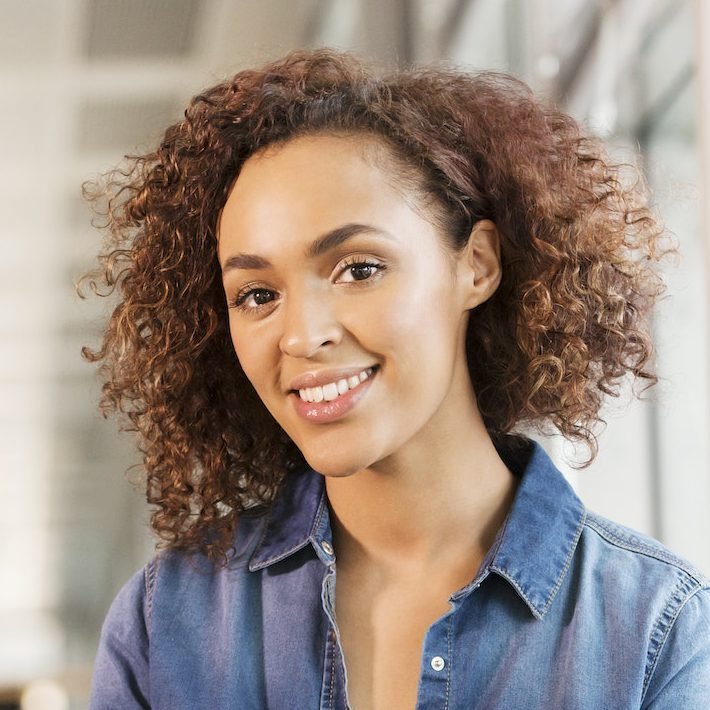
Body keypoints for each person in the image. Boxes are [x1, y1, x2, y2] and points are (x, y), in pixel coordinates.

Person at [83, 48, 709, 709]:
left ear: (478, 265)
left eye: (358, 269)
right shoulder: (168, 623)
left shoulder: (656, 633)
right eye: (257, 294)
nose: (301, 336)